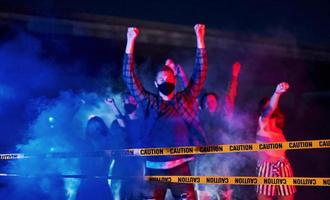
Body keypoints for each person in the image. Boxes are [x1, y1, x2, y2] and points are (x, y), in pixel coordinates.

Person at [122, 24, 207, 200]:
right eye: (161, 79)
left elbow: (200, 73)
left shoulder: (185, 99)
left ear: (175, 81)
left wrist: (200, 38)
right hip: (155, 169)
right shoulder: (149, 102)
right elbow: (128, 77)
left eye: (168, 78)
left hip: (181, 168)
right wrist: (130, 41)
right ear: (155, 84)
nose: (165, 81)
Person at [196, 62, 241, 200]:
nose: (210, 103)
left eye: (213, 100)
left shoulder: (223, 116)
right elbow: (191, 93)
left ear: (217, 103)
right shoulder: (199, 118)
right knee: (203, 196)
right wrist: (181, 76)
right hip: (203, 162)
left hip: (221, 162)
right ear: (202, 105)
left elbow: (231, 97)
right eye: (207, 101)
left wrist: (234, 76)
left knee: (225, 196)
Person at [256, 82, 296, 200]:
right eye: (268, 106)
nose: (273, 107)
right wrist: (277, 93)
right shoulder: (262, 122)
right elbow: (270, 108)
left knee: (288, 197)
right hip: (267, 165)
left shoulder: (279, 129)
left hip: (283, 164)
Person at [106, 92, 144, 200]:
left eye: (130, 100)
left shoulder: (143, 122)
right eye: (124, 101)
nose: (127, 103)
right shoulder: (116, 123)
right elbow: (113, 140)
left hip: (138, 165)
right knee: (119, 194)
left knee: (137, 194)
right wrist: (112, 106)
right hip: (121, 165)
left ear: (137, 102)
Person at [76, 116, 113, 200]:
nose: (95, 130)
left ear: (102, 129)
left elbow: (105, 164)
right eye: (92, 127)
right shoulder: (84, 144)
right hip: (85, 185)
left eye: (97, 128)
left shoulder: (107, 144)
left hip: (101, 185)